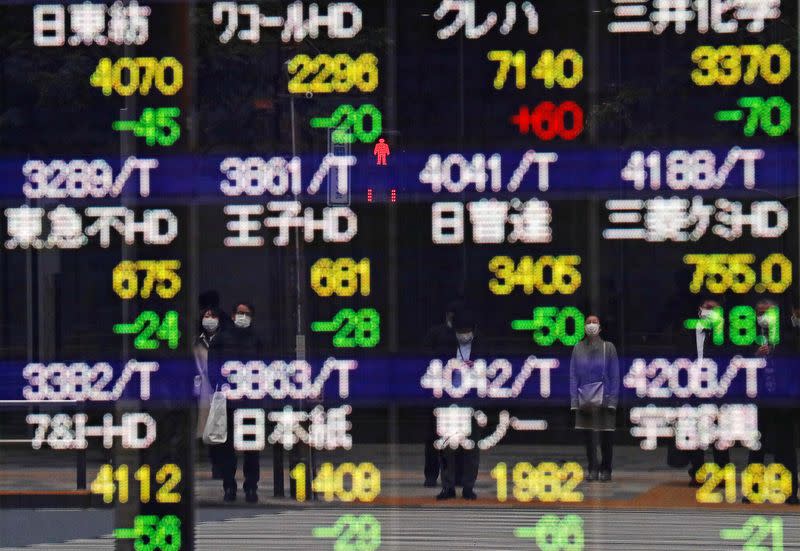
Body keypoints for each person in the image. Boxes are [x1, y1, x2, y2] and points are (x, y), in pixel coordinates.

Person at [208, 302, 265, 503]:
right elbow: (212, 368)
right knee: (227, 448)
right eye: (240, 313)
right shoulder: (222, 339)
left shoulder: (256, 340)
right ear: (233, 315)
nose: (243, 316)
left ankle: (251, 487)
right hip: (229, 401)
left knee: (251, 448)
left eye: (246, 313)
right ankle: (229, 486)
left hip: (250, 400)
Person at [744, 299, 799, 504]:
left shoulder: (788, 337)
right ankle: (753, 490)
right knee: (756, 447)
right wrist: (756, 355)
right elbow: (739, 363)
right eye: (759, 312)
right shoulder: (750, 337)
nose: (762, 316)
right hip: (760, 399)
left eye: (766, 312)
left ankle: (790, 491)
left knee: (786, 447)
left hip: (783, 401)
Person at [435, 310, 480, 500]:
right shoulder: (446, 347)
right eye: (461, 331)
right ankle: (448, 486)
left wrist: (476, 368)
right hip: (450, 402)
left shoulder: (481, 348)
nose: (464, 334)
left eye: (467, 331)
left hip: (472, 402)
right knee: (448, 447)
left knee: (471, 446)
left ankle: (468, 486)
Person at [686, 300, 730, 486]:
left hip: (717, 391)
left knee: (719, 434)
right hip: (693, 389)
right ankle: (697, 471)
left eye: (714, 309)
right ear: (699, 310)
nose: (710, 312)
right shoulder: (687, 332)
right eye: (707, 308)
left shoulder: (726, 335)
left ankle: (721, 473)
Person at [569, 315, 620, 482]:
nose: (591, 325)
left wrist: (613, 400)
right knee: (589, 439)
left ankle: (606, 469)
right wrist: (574, 401)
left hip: (604, 399)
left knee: (606, 438)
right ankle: (592, 468)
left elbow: (615, 375)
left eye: (594, 322)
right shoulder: (578, 348)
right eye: (588, 322)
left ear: (600, 327)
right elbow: (573, 375)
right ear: (584, 327)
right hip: (585, 400)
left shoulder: (608, 347)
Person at [422, 300, 463, 487]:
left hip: (459, 392)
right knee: (433, 436)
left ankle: (456, 476)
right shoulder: (436, 334)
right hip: (438, 392)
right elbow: (426, 360)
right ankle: (432, 475)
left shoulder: (467, 335)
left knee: (458, 437)